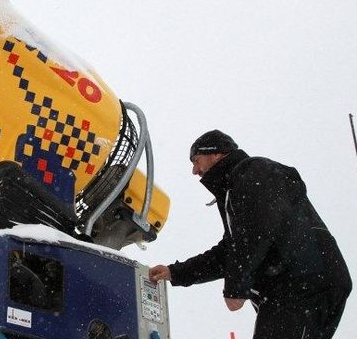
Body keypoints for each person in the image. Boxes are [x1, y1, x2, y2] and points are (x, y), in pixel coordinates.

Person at [149, 130, 352, 338]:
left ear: (216, 154)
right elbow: (230, 251)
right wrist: (177, 272)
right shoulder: (234, 190)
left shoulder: (254, 171)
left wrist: (237, 287)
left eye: (196, 160)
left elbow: (257, 228)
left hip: (301, 283)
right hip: (294, 288)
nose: (194, 170)